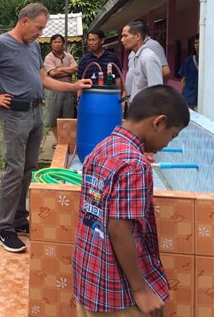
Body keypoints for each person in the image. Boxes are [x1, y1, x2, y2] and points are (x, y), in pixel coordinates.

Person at [0, 3, 92, 253]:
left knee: (28, 169)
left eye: (43, 28)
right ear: (24, 21)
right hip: (15, 114)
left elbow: (44, 80)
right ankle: (5, 229)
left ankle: (21, 220)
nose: (41, 33)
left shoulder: (33, 46)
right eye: (38, 27)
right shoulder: (0, 44)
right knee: (13, 169)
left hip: (35, 112)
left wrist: (75, 86)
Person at [72, 85, 190, 317]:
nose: (168, 143)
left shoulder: (102, 147)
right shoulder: (135, 164)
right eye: (172, 135)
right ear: (158, 122)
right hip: (120, 294)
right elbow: (118, 227)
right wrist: (141, 290)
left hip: (90, 280)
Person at [43, 34, 78, 140]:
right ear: (51, 44)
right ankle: (59, 141)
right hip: (53, 91)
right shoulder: (49, 57)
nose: (57, 44)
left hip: (67, 90)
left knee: (67, 116)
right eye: (55, 42)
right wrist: (67, 71)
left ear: (63, 44)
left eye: (59, 42)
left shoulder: (69, 56)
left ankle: (65, 140)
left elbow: (75, 68)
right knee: (53, 117)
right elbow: (53, 74)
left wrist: (59, 70)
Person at [121, 21, 163, 103]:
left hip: (145, 110)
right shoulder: (135, 56)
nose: (122, 40)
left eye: (125, 36)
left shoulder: (148, 58)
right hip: (136, 108)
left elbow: (156, 91)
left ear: (137, 36)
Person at [178, 37, 199, 110]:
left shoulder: (208, 60)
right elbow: (184, 79)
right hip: (188, 97)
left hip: (200, 97)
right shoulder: (189, 60)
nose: (197, 45)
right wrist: (180, 95)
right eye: (195, 43)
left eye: (199, 42)